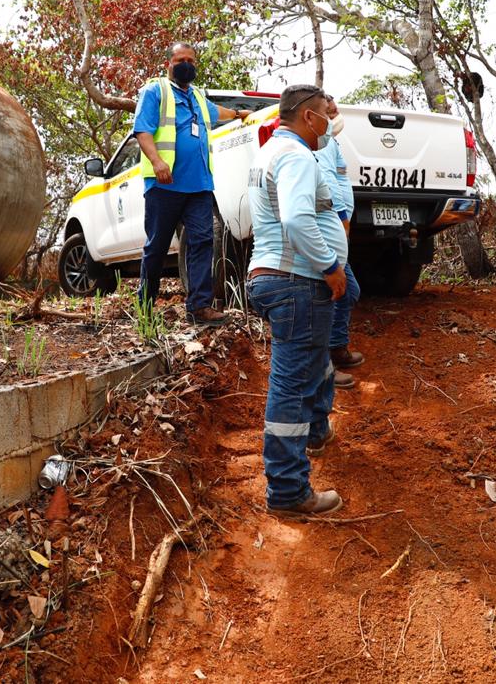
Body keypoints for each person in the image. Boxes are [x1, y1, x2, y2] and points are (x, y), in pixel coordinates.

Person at [246, 83, 347, 518]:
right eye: (326, 114)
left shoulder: (271, 152)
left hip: (279, 280)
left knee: (313, 364)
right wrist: (330, 267)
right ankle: (288, 490)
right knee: (290, 383)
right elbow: (296, 218)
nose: (330, 123)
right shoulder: (295, 157)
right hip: (297, 282)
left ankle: (315, 432)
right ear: (308, 117)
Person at [133, 42, 249, 325]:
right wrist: (158, 162)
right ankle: (145, 308)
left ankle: (199, 307)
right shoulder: (155, 91)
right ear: (169, 65)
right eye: (180, 59)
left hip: (199, 186)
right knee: (157, 248)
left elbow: (215, 112)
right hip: (165, 185)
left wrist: (237, 114)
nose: (187, 64)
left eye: (191, 60)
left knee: (202, 241)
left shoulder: (197, 95)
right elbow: (142, 131)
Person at [316, 95, 363, 389]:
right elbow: (328, 184)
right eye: (329, 108)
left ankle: (336, 349)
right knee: (336, 292)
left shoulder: (330, 141)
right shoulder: (319, 144)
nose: (335, 110)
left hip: (337, 224)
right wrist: (341, 216)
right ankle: (326, 362)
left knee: (346, 290)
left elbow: (339, 180)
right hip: (329, 222)